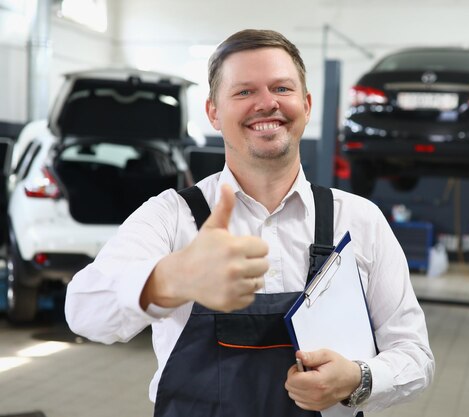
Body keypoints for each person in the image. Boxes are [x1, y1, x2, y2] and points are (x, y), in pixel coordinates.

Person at [65, 29, 434, 417]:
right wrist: (172, 279)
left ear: (306, 105)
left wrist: (359, 379)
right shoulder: (170, 216)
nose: (267, 103)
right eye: (244, 92)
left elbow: (415, 355)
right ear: (213, 112)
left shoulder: (359, 220)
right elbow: (83, 311)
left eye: (282, 88)